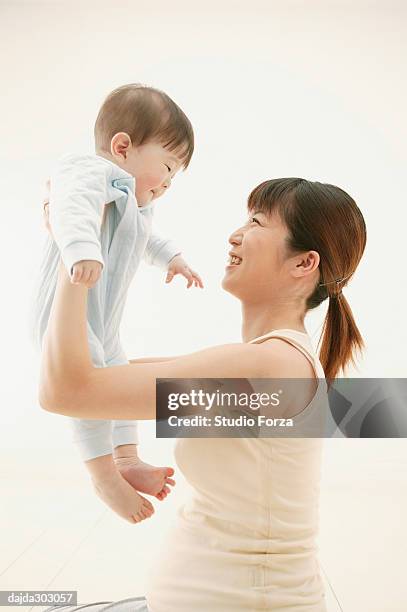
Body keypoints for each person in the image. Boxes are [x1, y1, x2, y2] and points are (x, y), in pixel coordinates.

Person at [40, 177, 367, 611]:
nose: (236, 233)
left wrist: (76, 249)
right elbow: (99, 384)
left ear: (304, 264)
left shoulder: (269, 368)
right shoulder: (266, 365)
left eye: (256, 222)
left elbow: (68, 390)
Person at [33, 82, 203, 525]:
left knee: (118, 376)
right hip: (63, 310)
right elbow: (70, 208)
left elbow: (147, 238)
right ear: (122, 147)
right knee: (87, 385)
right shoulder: (87, 172)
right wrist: (82, 249)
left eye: (174, 177)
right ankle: (103, 474)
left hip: (102, 317)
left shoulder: (137, 203)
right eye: (166, 167)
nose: (166, 184)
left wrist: (173, 258)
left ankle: (126, 457)